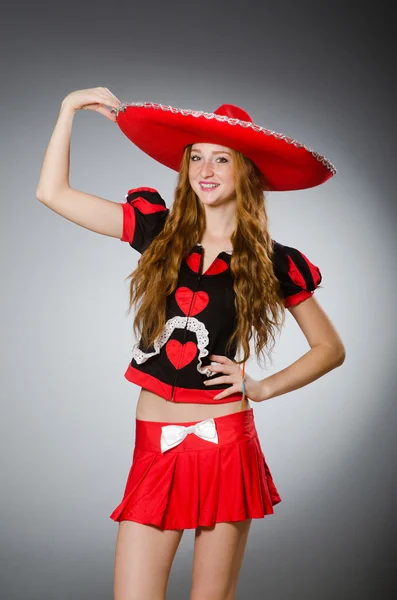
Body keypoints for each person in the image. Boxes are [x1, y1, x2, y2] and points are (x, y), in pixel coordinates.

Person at [36, 87, 346, 600]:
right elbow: (53, 194)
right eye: (196, 157)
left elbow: (329, 348)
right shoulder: (157, 230)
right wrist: (68, 109)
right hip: (154, 443)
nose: (205, 169)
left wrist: (262, 387)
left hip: (225, 443)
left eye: (221, 158)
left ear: (245, 171)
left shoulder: (273, 260)